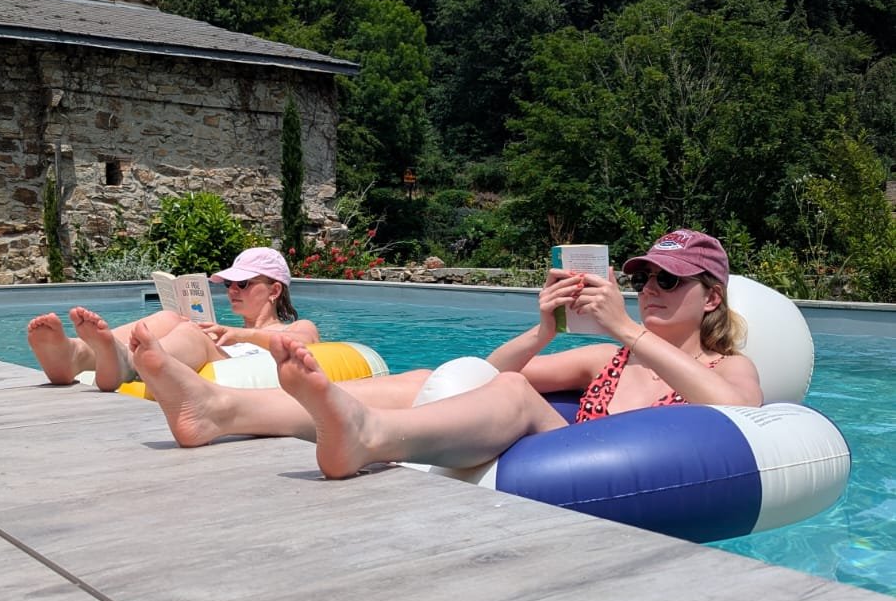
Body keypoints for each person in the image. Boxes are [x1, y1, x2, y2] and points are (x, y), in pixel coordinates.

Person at [126, 228, 762, 461]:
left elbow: (741, 419)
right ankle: (221, 411)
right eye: (645, 275)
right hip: (561, 446)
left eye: (670, 279)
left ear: (711, 297)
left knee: (513, 390)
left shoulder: (728, 365)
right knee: (437, 371)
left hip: (591, 463)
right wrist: (542, 330)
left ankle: (367, 435)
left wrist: (625, 327)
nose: (650, 287)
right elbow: (475, 373)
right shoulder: (606, 357)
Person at [26, 246, 319, 392]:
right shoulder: (221, 332)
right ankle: (76, 353)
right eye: (229, 284)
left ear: (274, 290)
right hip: (216, 349)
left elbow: (299, 343)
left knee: (193, 334)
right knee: (170, 317)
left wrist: (239, 335)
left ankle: (127, 363)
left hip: (231, 364)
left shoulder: (297, 326)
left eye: (243, 284)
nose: (232, 290)